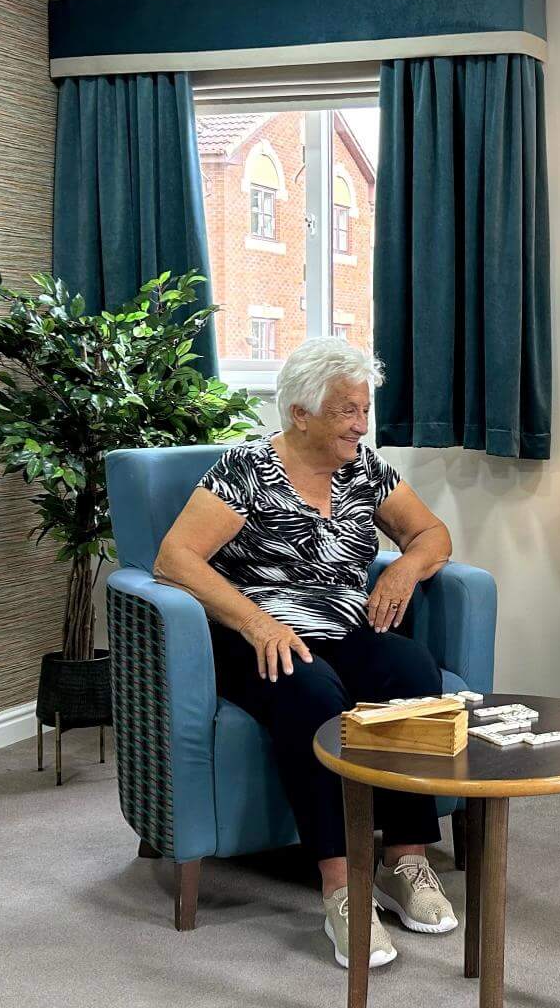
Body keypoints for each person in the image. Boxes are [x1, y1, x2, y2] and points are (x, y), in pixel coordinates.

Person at [153, 337, 458, 971]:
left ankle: (405, 860)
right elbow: (175, 559)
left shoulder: (363, 469)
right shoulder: (246, 470)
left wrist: (403, 570)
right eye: (348, 410)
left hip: (343, 626)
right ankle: (342, 889)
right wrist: (256, 621)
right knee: (312, 692)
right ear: (300, 412)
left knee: (413, 671)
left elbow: (432, 533)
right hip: (254, 637)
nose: (362, 424)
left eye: (364, 409)